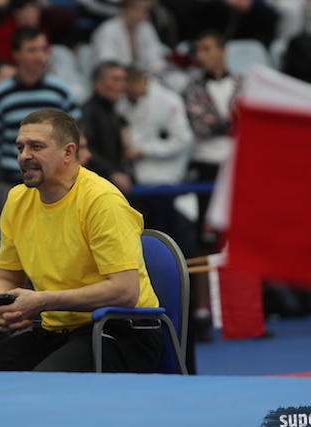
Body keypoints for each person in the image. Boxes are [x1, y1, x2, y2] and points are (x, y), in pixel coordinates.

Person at [0, 109, 162, 372]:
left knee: (43, 386)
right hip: (55, 331)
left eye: (36, 146)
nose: (24, 156)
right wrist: (4, 304)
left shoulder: (102, 201)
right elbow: (5, 279)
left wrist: (43, 301)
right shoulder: (16, 200)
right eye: (20, 147)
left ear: (68, 152)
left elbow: (125, 292)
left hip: (122, 331)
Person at [183, 30, 242, 341]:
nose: (201, 55)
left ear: (222, 51)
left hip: (237, 166)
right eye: (198, 49)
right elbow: (202, 127)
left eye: (207, 48)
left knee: (239, 239)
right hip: (206, 167)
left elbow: (249, 122)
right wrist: (233, 121)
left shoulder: (243, 83)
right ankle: (203, 311)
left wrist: (232, 122)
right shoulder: (191, 88)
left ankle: (242, 312)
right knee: (206, 241)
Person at [0, 26, 81, 186]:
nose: (39, 55)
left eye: (43, 49)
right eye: (32, 50)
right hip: (12, 179)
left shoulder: (61, 90)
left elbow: (76, 134)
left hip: (55, 178)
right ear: (16, 54)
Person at [118, 67, 194, 250]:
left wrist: (143, 151)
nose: (128, 97)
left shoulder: (167, 100)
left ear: (140, 81)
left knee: (166, 236)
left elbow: (182, 140)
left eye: (130, 92)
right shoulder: (123, 102)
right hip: (135, 179)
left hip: (164, 178)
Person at [82, 61, 132, 193]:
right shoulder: (88, 112)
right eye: (116, 79)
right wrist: (112, 171)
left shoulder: (115, 112)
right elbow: (86, 147)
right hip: (96, 186)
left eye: (123, 80)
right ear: (98, 83)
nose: (122, 85)